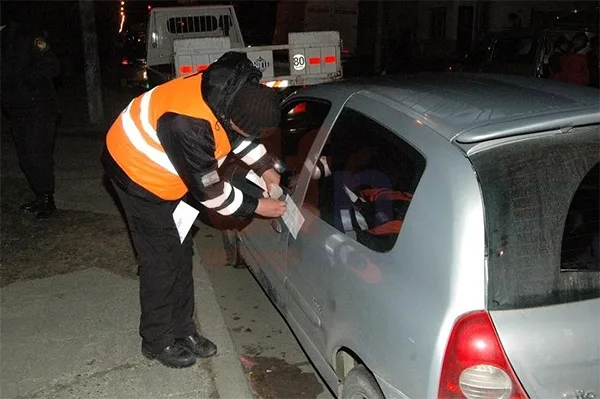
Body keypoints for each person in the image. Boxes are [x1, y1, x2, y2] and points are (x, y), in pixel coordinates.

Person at [101, 51, 287, 369]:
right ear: (233, 118)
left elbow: (239, 136)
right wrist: (258, 206)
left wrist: (267, 168)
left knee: (181, 250)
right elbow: (212, 193)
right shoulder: (188, 126)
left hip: (174, 171)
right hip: (136, 172)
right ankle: (157, 340)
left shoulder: (234, 91)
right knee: (161, 260)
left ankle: (184, 330)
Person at [1, 19, 60, 220]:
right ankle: (39, 195)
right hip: (15, 110)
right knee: (25, 157)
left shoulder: (26, 36)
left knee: (38, 155)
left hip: (39, 107)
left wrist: (22, 82)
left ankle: (47, 199)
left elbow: (52, 67)